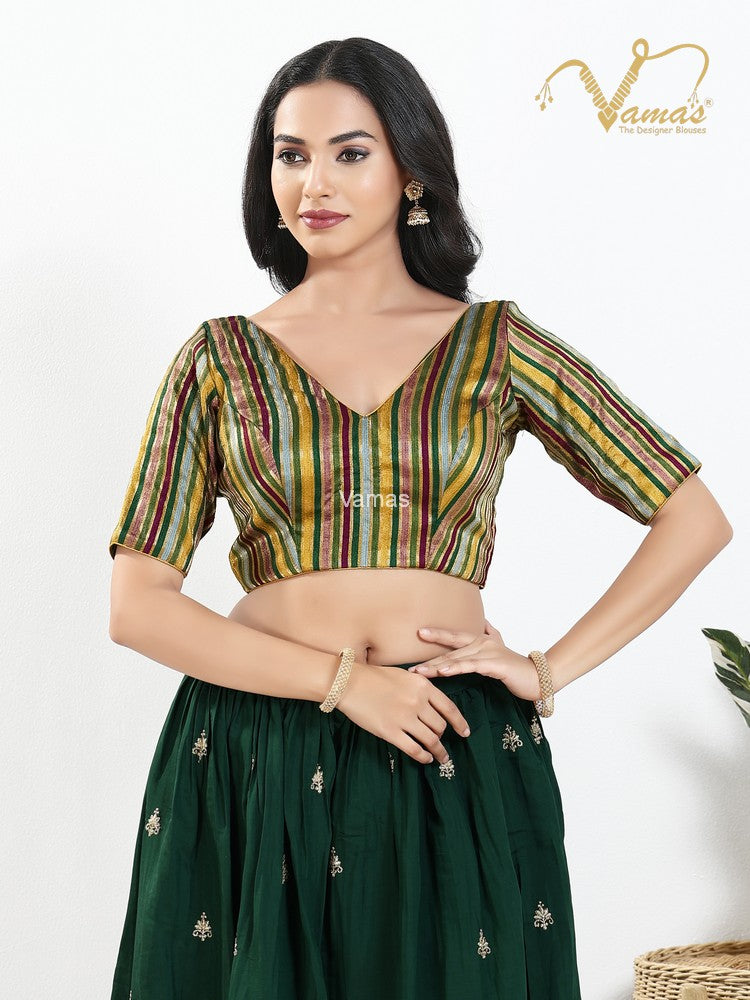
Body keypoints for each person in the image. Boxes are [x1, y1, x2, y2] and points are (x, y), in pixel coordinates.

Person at [106, 37, 732, 1000]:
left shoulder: (497, 347)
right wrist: (343, 684)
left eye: (350, 152)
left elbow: (692, 517)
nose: (314, 182)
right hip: (256, 748)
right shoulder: (218, 360)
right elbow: (138, 605)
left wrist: (547, 669)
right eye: (290, 154)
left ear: (412, 172)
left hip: (450, 743)